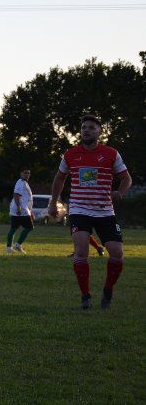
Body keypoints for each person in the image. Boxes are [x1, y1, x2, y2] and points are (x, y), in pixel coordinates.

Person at [47, 115, 132, 310]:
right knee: (81, 250)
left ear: (100, 132)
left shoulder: (111, 153)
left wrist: (120, 192)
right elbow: (59, 179)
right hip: (79, 209)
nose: (86, 130)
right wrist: (53, 202)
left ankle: (108, 289)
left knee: (117, 254)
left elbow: (126, 178)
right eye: (84, 127)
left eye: (91, 127)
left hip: (105, 211)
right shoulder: (70, 154)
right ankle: (85, 295)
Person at [5, 169, 34, 254]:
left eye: (28, 173)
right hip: (21, 210)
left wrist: (30, 212)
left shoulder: (24, 183)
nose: (27, 175)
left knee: (14, 228)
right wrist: (18, 207)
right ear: (21, 173)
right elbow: (16, 195)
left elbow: (27, 199)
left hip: (22, 209)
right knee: (29, 227)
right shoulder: (21, 182)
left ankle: (9, 248)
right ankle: (17, 245)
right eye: (25, 173)